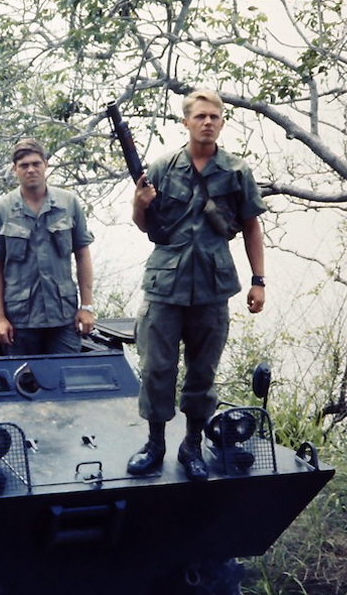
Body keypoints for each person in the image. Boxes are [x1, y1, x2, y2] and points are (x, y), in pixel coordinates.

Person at [127, 90, 267, 481]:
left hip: (212, 285)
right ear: (186, 122)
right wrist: (141, 202)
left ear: (222, 122)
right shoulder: (162, 167)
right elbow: (143, 223)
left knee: (203, 372)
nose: (208, 122)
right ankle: (155, 445)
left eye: (215, 117)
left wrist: (258, 281)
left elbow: (252, 226)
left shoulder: (236, 172)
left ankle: (191, 446)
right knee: (157, 368)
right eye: (200, 116)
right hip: (164, 285)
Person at [0, 138, 95, 355]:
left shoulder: (68, 204)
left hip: (63, 318)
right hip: (19, 321)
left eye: (36, 164)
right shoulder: (2, 210)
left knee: (66, 380)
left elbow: (83, 255)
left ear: (46, 165)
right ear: (14, 169)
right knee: (24, 383)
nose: (31, 170)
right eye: (24, 165)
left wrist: (87, 307)